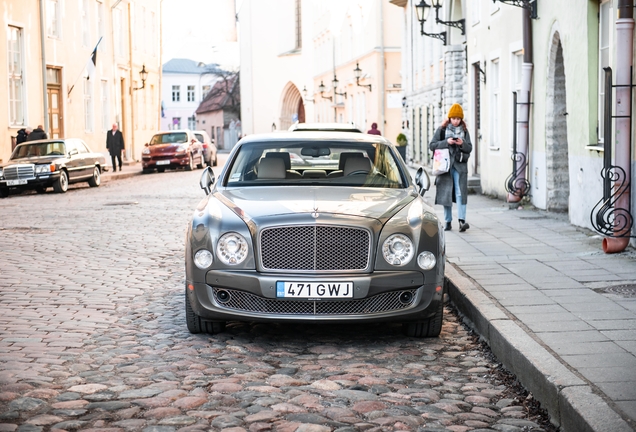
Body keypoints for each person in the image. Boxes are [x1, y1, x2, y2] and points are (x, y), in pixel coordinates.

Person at [429, 103, 473, 232]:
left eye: (458, 119)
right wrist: (446, 142)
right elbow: (432, 145)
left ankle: (461, 221)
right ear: (449, 118)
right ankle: (448, 221)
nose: (455, 121)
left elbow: (469, 148)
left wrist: (462, 143)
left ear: (461, 119)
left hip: (459, 166)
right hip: (445, 167)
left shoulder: (464, 131)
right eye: (453, 118)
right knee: (446, 193)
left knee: (460, 193)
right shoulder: (442, 130)